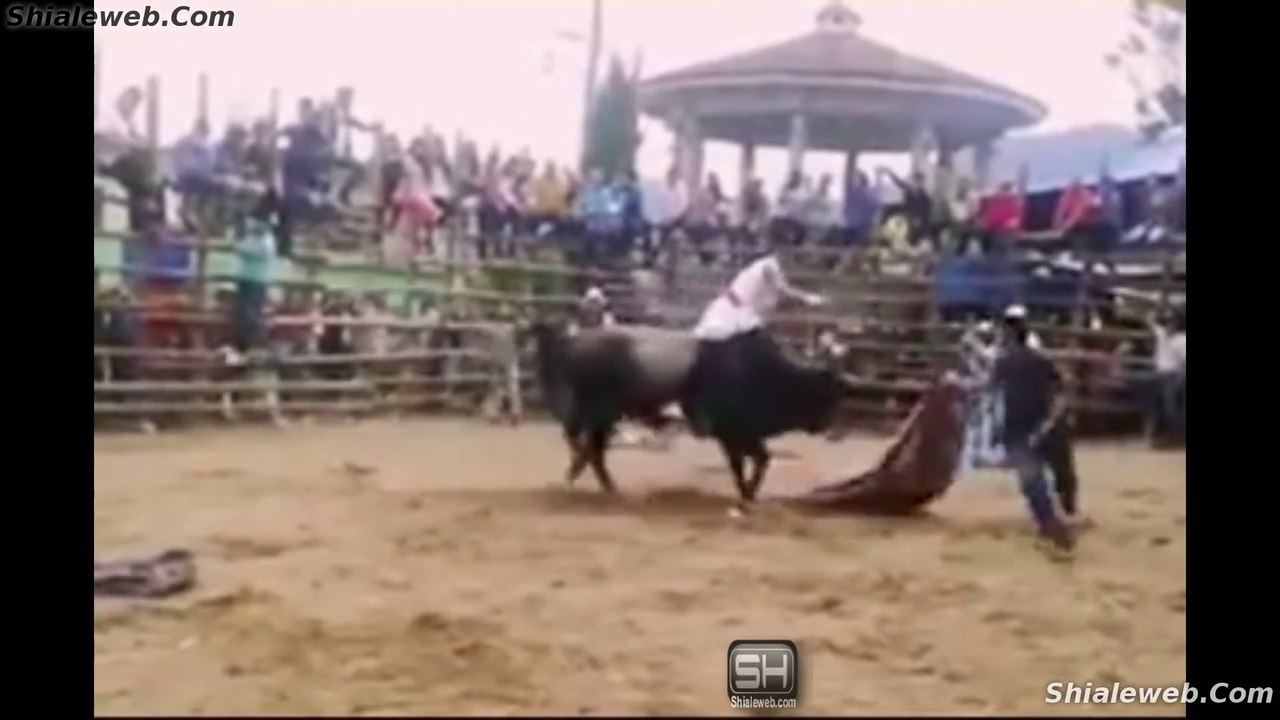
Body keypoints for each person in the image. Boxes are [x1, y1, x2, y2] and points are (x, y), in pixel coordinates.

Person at [684, 243, 827, 436]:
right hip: (729, 316)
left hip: (742, 317)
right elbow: (783, 289)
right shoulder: (768, 265)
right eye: (790, 252)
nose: (792, 258)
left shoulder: (772, 271)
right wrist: (808, 298)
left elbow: (779, 298)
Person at [990, 307, 1075, 550]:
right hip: (1044, 422)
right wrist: (1055, 415)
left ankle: (1051, 522)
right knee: (1059, 469)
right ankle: (1062, 510)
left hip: (1019, 426)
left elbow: (990, 392)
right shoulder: (1041, 359)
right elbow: (1064, 385)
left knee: (1033, 480)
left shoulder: (1003, 363)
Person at [1148, 308, 1186, 444]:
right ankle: (1165, 434)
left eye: (1172, 322)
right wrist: (1154, 314)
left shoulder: (1182, 339)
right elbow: (1152, 323)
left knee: (1171, 407)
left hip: (1173, 375)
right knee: (1162, 405)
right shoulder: (1163, 335)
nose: (1170, 324)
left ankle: (1176, 434)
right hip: (1161, 375)